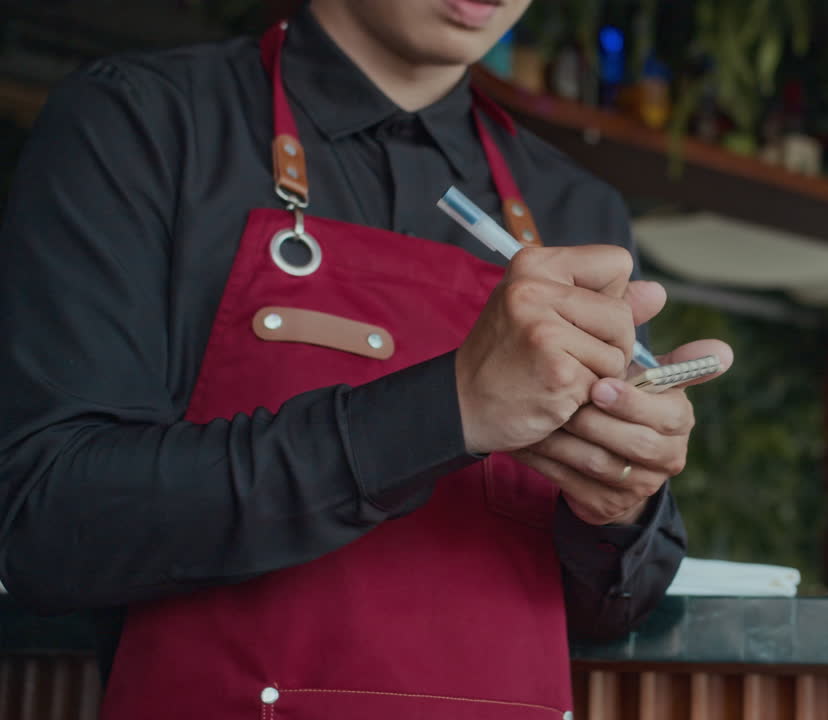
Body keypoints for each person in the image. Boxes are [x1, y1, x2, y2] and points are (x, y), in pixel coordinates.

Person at [0, 0, 732, 717]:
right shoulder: (145, 125)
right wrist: (448, 411)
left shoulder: (576, 209)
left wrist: (623, 501)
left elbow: (614, 609)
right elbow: (44, 524)